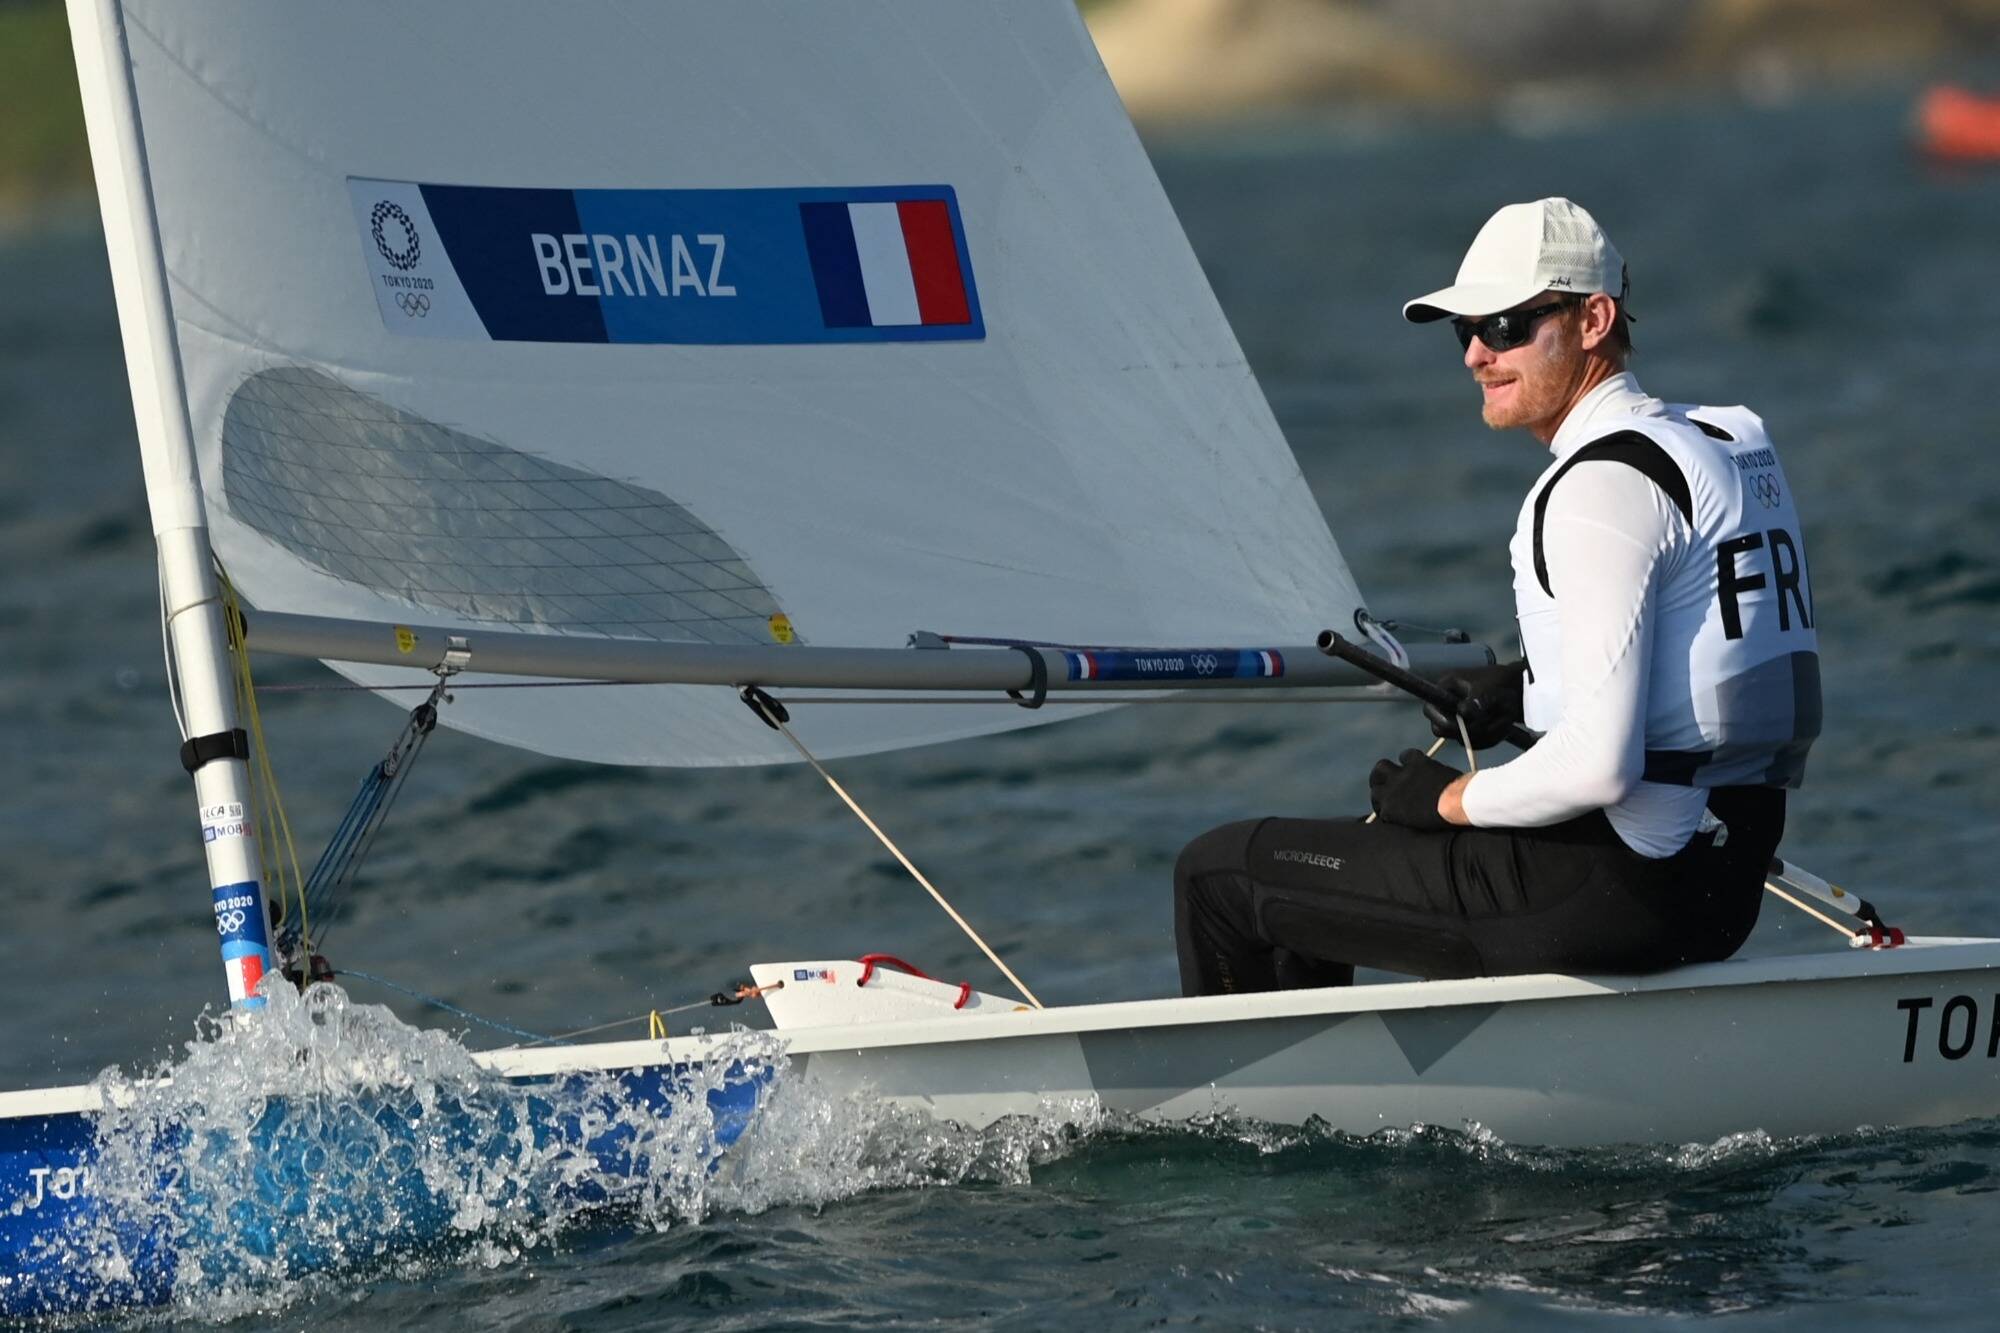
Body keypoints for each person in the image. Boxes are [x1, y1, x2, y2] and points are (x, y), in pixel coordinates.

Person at [1174, 197, 1820, 995]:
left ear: (1594, 319)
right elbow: (1698, 644)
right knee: (1318, 884)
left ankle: (1253, 1116)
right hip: (1721, 891)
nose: (1478, 354)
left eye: (1508, 325)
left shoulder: (1596, 487)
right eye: (1465, 331)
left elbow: (1599, 769)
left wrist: (1446, 798)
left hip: (1607, 894)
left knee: (1225, 872)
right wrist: (1519, 684)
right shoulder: (1723, 441)